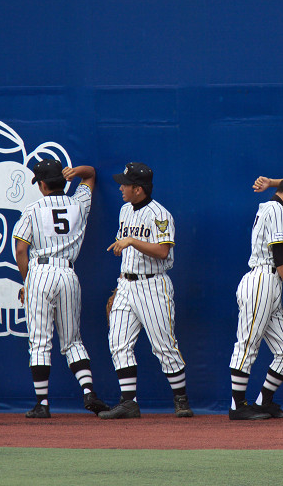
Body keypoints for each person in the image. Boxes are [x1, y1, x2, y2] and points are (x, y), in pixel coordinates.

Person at [13, 159, 109, 418]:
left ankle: (42, 404)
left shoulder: (32, 209)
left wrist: (28, 281)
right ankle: (89, 391)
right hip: (68, 273)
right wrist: (76, 172)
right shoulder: (78, 204)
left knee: (40, 343)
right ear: (63, 181)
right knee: (73, 340)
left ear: (42, 184)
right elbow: (91, 175)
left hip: (41, 272)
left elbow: (21, 250)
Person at [99, 162, 193, 419]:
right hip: (126, 285)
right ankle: (129, 402)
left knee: (163, 346)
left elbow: (163, 252)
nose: (121, 187)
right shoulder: (124, 211)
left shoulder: (160, 214)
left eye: (125, 184)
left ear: (138, 189)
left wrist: (132, 240)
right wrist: (120, 283)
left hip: (153, 285)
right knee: (118, 342)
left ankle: (181, 399)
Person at [229, 170, 283, 420]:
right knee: (247, 344)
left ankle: (263, 402)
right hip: (261, 280)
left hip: (270, 283)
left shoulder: (276, 208)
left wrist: (271, 182)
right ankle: (237, 406)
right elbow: (279, 252)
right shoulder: (277, 210)